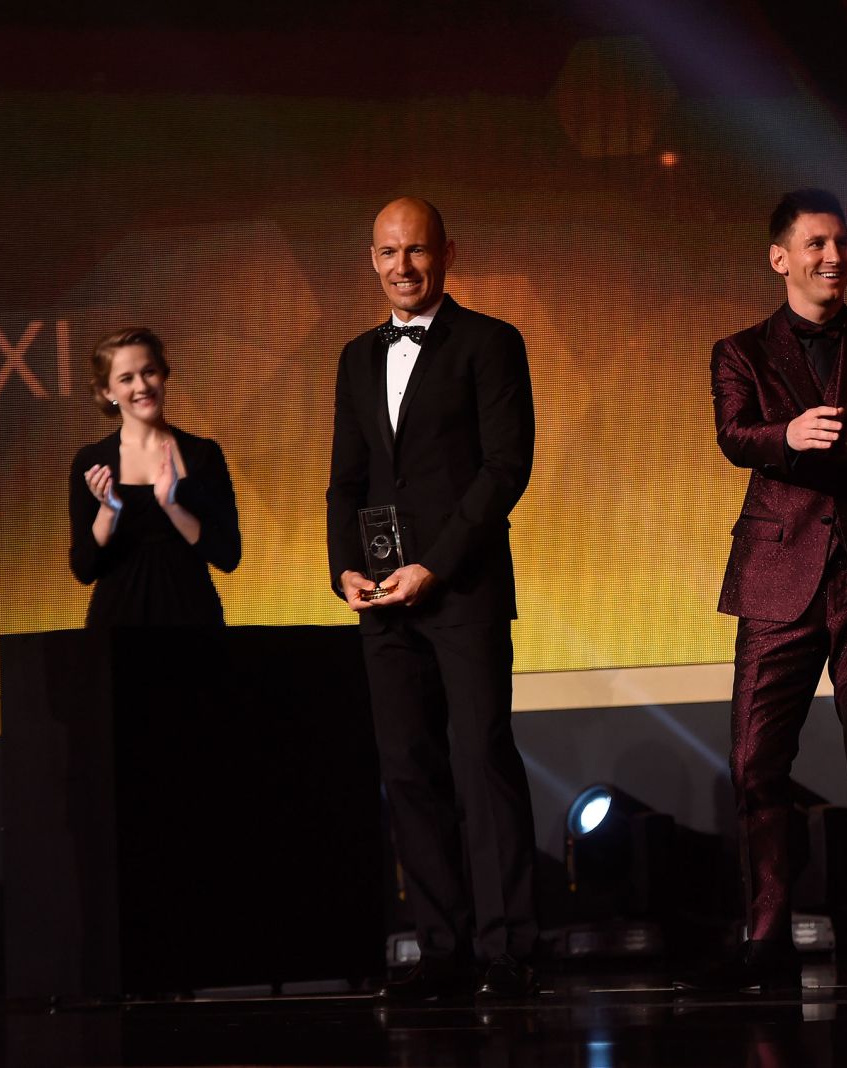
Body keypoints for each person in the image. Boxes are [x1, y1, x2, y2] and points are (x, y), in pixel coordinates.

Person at [692, 188, 847, 994]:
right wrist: (787, 437)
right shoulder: (743, 351)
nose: (833, 257)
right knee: (756, 762)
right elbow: (734, 434)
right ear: (781, 257)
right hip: (779, 573)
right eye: (815, 244)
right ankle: (767, 933)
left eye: (841, 243)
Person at [325, 196, 539, 1003]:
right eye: (387, 253)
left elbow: (504, 469)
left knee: (480, 759)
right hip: (381, 600)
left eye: (416, 251)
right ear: (371, 259)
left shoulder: (490, 342)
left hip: (465, 589)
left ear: (448, 252)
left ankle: (508, 948)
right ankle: (441, 948)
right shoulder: (354, 356)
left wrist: (436, 567)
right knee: (407, 768)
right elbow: (347, 481)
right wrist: (346, 569)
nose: (402, 267)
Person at [69, 327, 241, 624]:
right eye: (126, 378)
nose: (141, 386)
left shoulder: (203, 455)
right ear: (108, 391)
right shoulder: (92, 461)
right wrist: (109, 512)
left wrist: (172, 506)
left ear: (163, 375)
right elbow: (84, 569)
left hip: (194, 622)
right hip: (116, 627)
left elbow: (228, 556)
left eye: (149, 372)